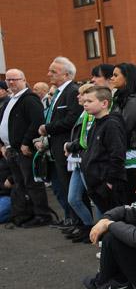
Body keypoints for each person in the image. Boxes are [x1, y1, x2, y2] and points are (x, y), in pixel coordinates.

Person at [0, 69, 53, 227]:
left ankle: (42, 215)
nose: (10, 82)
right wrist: (3, 144)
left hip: (23, 149)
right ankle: (27, 214)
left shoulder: (29, 99)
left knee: (32, 183)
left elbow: (36, 121)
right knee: (20, 184)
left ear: (23, 80)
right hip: (11, 149)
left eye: (14, 79)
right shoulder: (12, 100)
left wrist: (26, 142)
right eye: (8, 79)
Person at [40, 56, 82, 226]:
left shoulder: (72, 91)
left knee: (72, 189)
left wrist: (47, 128)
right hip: (55, 148)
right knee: (62, 187)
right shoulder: (58, 93)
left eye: (53, 71)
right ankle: (71, 220)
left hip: (66, 147)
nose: (48, 74)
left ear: (66, 74)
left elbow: (72, 118)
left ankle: (79, 223)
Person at [79, 86, 128, 213]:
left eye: (89, 101)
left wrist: (109, 182)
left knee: (114, 221)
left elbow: (117, 155)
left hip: (106, 185)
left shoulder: (112, 124)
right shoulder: (96, 123)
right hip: (95, 183)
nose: (85, 104)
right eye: (84, 101)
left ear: (104, 103)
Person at [110, 63, 136, 203]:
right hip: (124, 153)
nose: (112, 78)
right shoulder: (121, 98)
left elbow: (122, 128)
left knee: (132, 199)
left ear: (127, 78)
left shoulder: (135, 100)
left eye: (116, 75)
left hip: (133, 155)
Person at [63, 83, 98, 241]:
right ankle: (88, 226)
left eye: (82, 94)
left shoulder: (91, 114)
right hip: (77, 159)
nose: (78, 97)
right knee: (73, 198)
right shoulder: (83, 113)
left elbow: (86, 138)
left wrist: (70, 146)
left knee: (94, 198)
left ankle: (96, 231)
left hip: (85, 158)